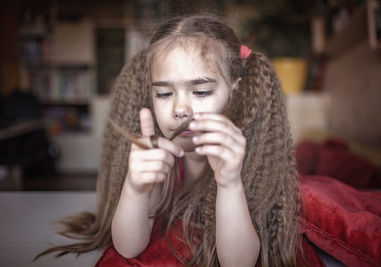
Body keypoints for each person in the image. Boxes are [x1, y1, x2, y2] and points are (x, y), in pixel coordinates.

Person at [37, 15, 321, 267]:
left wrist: (229, 182)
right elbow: (127, 247)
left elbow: (239, 262)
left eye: (200, 92)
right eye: (164, 94)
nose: (180, 108)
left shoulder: (249, 158)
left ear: (234, 91)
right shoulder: (162, 160)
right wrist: (135, 187)